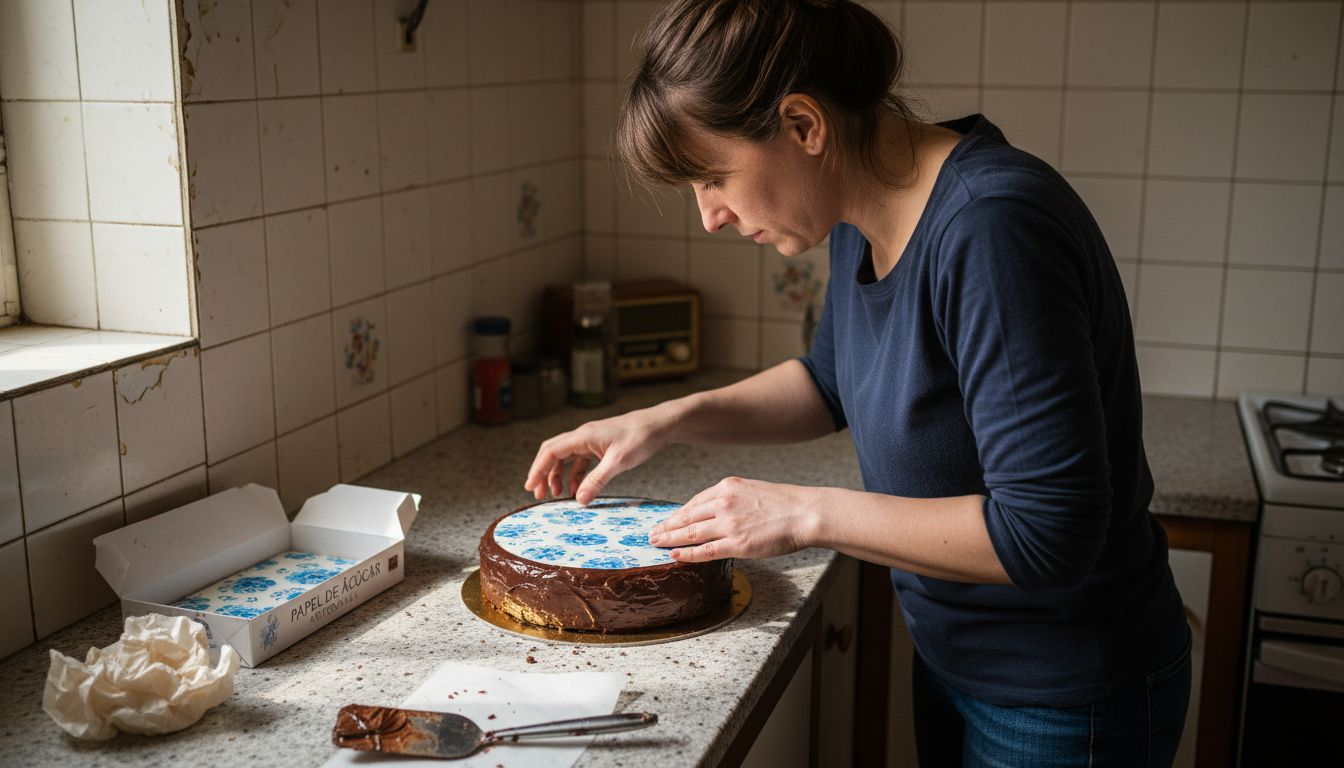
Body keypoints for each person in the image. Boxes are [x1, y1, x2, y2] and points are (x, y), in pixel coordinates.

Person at [523, 1, 1191, 765]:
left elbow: (1049, 533)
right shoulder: (859, 212)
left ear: (804, 125)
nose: (710, 217)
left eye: (713, 177)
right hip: (960, 657)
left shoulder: (991, 228)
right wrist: (665, 418)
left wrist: (805, 512)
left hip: (1066, 691)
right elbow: (829, 382)